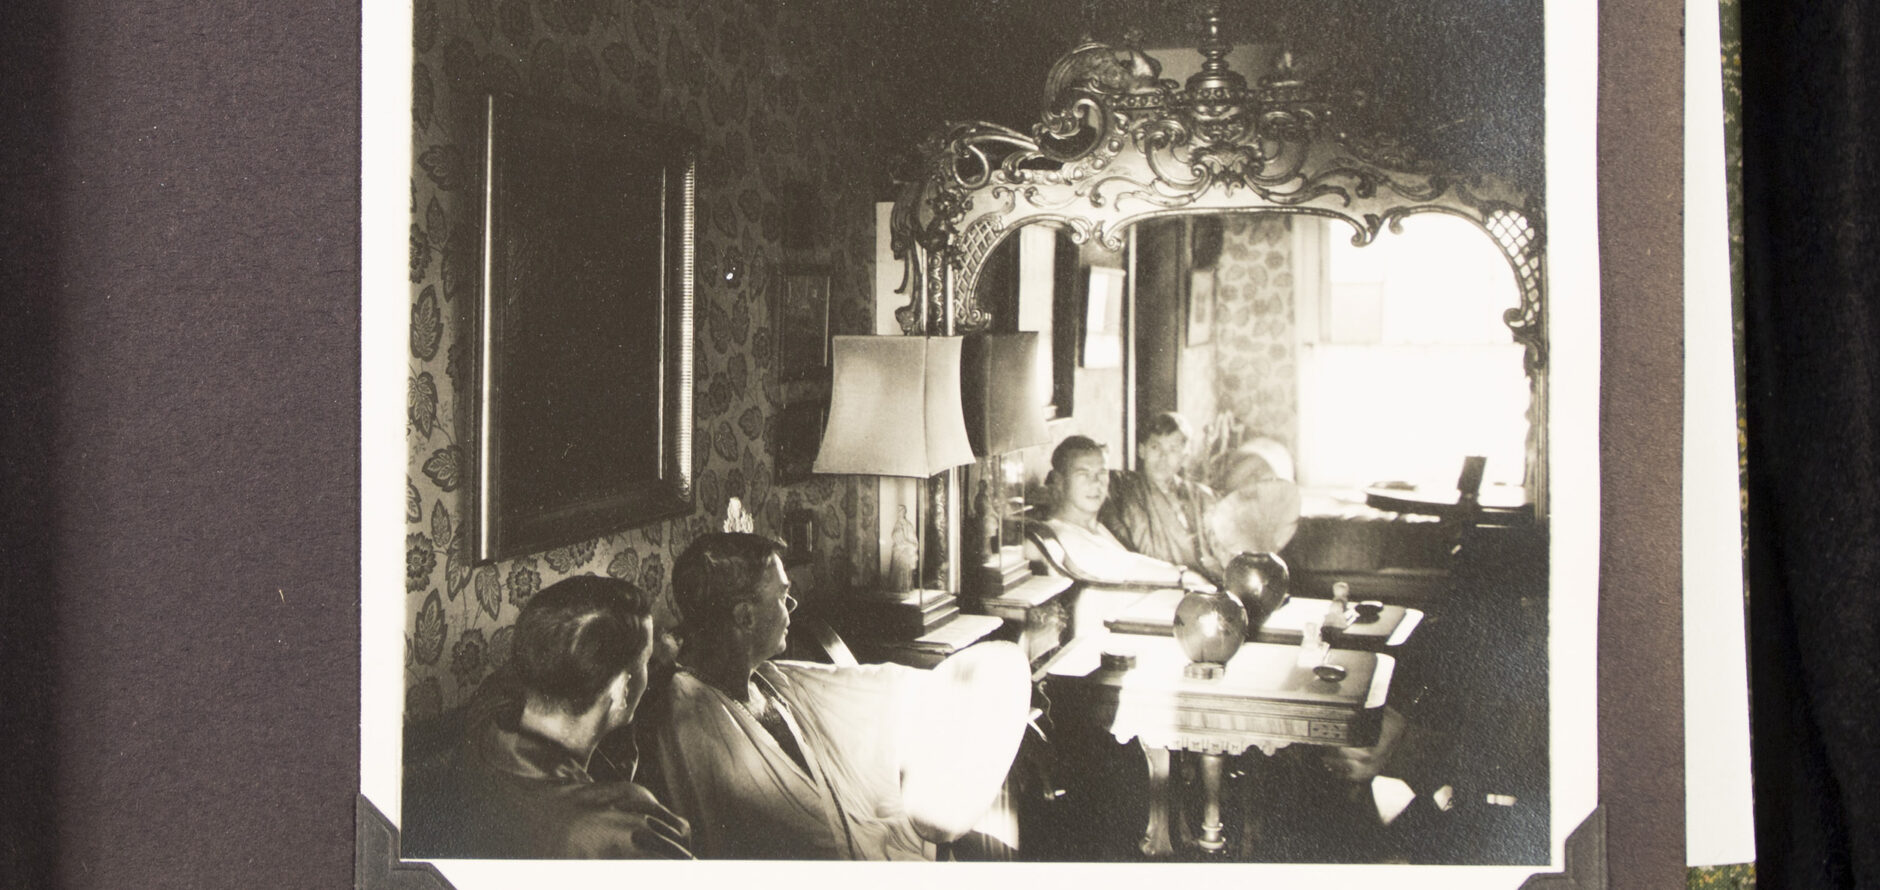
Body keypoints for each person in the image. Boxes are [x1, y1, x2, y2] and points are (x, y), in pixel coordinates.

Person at [635, 532, 932, 860]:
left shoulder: (764, 678)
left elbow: (875, 687)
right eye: (782, 597)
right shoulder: (691, 715)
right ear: (745, 617)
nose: (792, 608)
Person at [448, 575, 693, 859]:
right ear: (621, 689)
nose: (653, 666)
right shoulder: (625, 835)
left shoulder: (486, 714)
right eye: (648, 661)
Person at [1041, 434, 1212, 590]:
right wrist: (1182, 576)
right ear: (1060, 481)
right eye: (1083, 474)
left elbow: (1131, 561)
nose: (1096, 483)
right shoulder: (1061, 534)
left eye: (1102, 473)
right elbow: (1125, 566)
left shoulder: (1097, 526)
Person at [1100, 412, 1228, 584]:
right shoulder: (1123, 490)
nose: (1163, 457)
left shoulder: (1202, 497)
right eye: (1155, 447)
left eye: (1173, 449)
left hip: (1204, 585)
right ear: (1142, 450)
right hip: (1154, 585)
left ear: (1184, 456)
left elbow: (1224, 550)